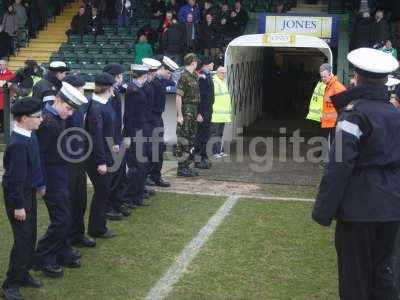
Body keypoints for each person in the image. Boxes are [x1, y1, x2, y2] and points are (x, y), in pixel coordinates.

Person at [312, 47, 400, 299]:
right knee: (383, 276)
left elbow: (339, 166)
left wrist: (323, 211)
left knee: (355, 281)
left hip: (359, 210)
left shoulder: (354, 114)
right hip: (392, 208)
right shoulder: (394, 114)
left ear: (358, 78)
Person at [34, 82, 88, 278]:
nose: (71, 112)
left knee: (66, 215)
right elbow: (39, 154)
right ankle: (43, 257)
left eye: (73, 109)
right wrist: (40, 183)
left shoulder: (56, 117)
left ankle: (62, 250)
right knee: (61, 220)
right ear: (57, 100)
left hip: (61, 175)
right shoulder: (47, 122)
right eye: (68, 108)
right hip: (52, 180)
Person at [1, 98, 44, 300]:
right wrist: (18, 206)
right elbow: (14, 180)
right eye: (37, 117)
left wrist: (39, 184)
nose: (41, 119)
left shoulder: (30, 135)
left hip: (28, 193)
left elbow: (34, 164)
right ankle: (10, 284)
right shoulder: (18, 143)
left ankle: (24, 273)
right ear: (24, 118)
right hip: (18, 197)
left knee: (31, 234)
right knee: (23, 239)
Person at [63, 75, 96, 249]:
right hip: (68, 159)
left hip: (80, 157)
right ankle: (67, 238)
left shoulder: (83, 105)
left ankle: (78, 233)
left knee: (81, 198)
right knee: (69, 200)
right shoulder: (65, 108)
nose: (84, 91)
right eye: (82, 88)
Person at [85, 73, 118, 238]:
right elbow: (96, 136)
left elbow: (107, 130)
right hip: (98, 157)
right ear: (109, 87)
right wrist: (101, 161)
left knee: (103, 191)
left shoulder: (102, 103)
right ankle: (97, 228)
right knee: (102, 191)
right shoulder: (96, 107)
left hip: (105, 153)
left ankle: (98, 226)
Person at [102, 63, 132, 220]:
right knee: (112, 175)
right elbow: (108, 123)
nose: (121, 79)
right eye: (119, 76)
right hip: (111, 140)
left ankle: (117, 202)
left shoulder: (115, 92)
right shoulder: (106, 96)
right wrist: (114, 141)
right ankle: (108, 207)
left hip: (117, 138)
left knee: (120, 174)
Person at [146, 56, 178, 187]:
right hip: (150, 117)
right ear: (161, 68)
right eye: (168, 72)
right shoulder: (151, 81)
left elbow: (171, 84)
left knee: (159, 148)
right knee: (150, 149)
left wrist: (168, 78)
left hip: (158, 117)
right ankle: (148, 175)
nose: (169, 75)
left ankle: (156, 175)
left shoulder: (160, 80)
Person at [123, 64, 151, 207]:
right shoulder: (133, 90)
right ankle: (129, 196)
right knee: (136, 166)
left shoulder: (136, 88)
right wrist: (127, 135)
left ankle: (137, 195)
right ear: (144, 76)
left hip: (140, 130)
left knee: (141, 165)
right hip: (135, 131)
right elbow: (128, 115)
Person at [175, 53, 200, 177]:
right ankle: (181, 167)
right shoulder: (184, 77)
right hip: (186, 109)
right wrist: (180, 115)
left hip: (193, 109)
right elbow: (178, 97)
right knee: (183, 139)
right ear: (193, 62)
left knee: (191, 138)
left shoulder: (194, 76)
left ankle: (186, 165)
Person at [193, 56, 214, 169]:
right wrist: (199, 112)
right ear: (206, 64)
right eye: (211, 63)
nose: (212, 65)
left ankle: (203, 156)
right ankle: (197, 159)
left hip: (208, 109)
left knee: (206, 135)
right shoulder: (202, 77)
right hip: (203, 111)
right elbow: (200, 97)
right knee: (200, 136)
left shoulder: (208, 75)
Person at [319, 63, 346, 145]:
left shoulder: (337, 87)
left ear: (330, 74)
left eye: (324, 76)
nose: (323, 79)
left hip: (334, 123)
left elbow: (343, 105)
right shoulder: (328, 86)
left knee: (334, 145)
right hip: (328, 122)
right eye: (321, 77)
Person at [210, 66, 231, 157]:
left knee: (220, 133)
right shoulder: (215, 82)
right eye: (222, 73)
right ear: (217, 73)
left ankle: (219, 150)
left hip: (222, 114)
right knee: (214, 134)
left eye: (225, 73)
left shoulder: (222, 82)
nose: (224, 74)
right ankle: (215, 151)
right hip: (216, 114)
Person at [0, 59, 15, 131]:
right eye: (0, 65)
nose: (1, 66)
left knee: (4, 114)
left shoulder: (10, 75)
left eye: (2, 65)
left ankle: (4, 129)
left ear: (6, 65)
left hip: (4, 97)